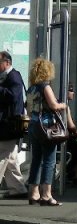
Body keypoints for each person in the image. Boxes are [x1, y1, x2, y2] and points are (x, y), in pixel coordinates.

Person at [26, 58, 68, 206]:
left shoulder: (31, 89)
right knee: (49, 161)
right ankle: (46, 194)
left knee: (36, 160)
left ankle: (33, 193)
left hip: (33, 125)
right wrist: (63, 105)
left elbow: (29, 110)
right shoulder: (45, 86)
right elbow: (53, 105)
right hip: (46, 127)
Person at [0, 51, 28, 199]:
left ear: (7, 63)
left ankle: (18, 189)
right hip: (7, 124)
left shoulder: (13, 76)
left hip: (9, 125)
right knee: (10, 159)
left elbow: (13, 97)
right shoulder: (6, 76)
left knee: (2, 156)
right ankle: (18, 189)